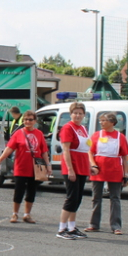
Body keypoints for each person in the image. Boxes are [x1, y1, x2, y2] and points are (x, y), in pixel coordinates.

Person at [0, 110, 50, 224]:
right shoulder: (18, 133)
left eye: (30, 119)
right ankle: (15, 214)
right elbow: (9, 148)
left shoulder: (39, 134)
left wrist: (48, 165)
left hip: (35, 168)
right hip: (21, 167)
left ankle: (27, 214)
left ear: (35, 121)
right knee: (18, 191)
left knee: (31, 191)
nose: (27, 121)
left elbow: (44, 151)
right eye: (25, 119)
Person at [85, 112, 128, 235]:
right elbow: (90, 152)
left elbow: (125, 158)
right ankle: (94, 224)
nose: (101, 122)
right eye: (101, 120)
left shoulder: (120, 137)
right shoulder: (96, 135)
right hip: (98, 170)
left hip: (115, 170)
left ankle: (116, 226)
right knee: (96, 197)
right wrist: (93, 165)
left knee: (115, 198)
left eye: (104, 120)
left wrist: (126, 174)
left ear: (112, 122)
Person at [56, 102, 92, 240]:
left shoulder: (82, 128)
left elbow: (85, 149)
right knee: (71, 198)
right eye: (75, 113)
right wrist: (70, 169)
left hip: (82, 166)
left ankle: (72, 227)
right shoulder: (67, 128)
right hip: (72, 166)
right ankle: (61, 228)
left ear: (84, 115)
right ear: (70, 114)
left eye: (80, 113)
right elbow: (66, 150)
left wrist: (89, 166)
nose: (78, 115)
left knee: (77, 199)